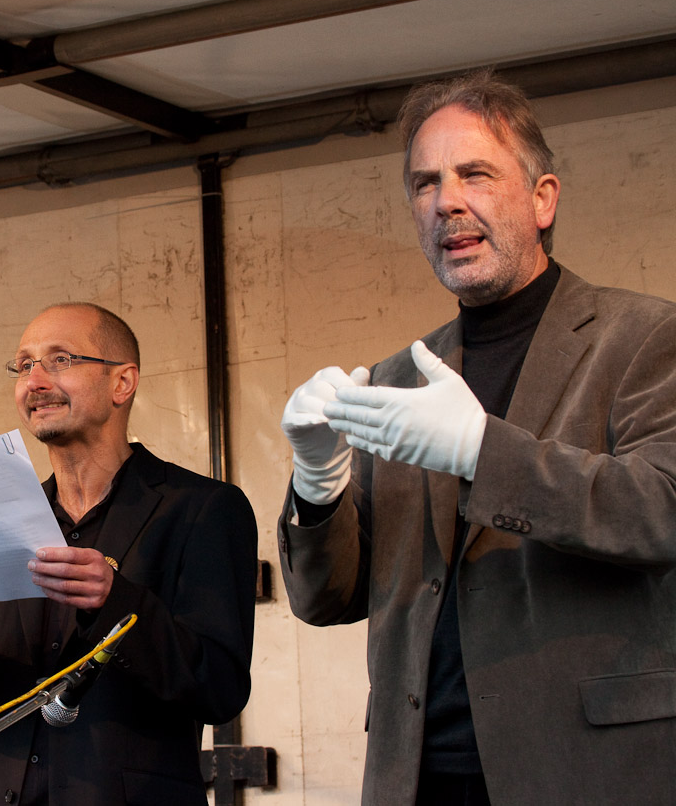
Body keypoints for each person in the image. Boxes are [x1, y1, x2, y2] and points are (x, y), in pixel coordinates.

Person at [277, 67, 676, 805]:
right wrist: (317, 484)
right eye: (425, 184)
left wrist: (480, 453)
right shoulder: (397, 379)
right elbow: (327, 597)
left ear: (543, 198)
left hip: (587, 769)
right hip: (418, 776)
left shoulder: (645, 337)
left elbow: (662, 510)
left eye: (475, 174)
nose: (447, 201)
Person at [0, 302, 257, 805]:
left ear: (122, 382)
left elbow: (220, 689)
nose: (35, 381)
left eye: (61, 360)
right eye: (24, 365)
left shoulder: (201, 509)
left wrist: (118, 603)